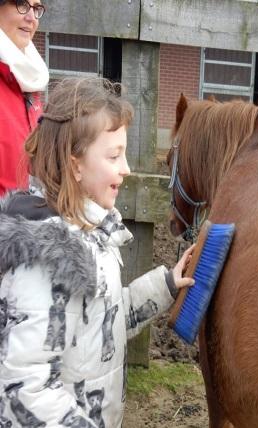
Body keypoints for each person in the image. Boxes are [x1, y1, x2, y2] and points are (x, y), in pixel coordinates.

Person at [0, 77, 195, 427]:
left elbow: (103, 325)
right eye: (114, 156)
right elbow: (24, 387)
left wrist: (165, 284)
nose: (127, 168)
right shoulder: (45, 261)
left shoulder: (91, 233)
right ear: (75, 163)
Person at [0, 0, 49, 196]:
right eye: (21, 4)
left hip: (21, 220)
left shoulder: (28, 77)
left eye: (36, 8)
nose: (31, 18)